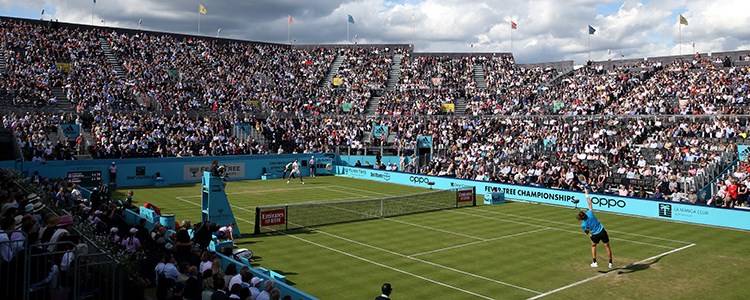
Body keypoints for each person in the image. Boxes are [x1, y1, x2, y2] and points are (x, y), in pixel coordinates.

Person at [576, 189, 613, 269]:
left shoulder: (583, 224)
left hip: (595, 234)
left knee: (593, 246)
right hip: (602, 231)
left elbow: (587, 231)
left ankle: (594, 262)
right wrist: (586, 194)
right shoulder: (590, 213)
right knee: (607, 246)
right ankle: (610, 263)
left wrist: (590, 234)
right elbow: (589, 203)